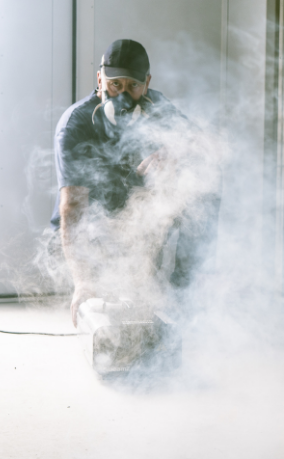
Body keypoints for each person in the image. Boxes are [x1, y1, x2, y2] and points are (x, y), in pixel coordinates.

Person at [50, 39, 221, 326]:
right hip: (92, 228)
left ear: (147, 83)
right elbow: (73, 208)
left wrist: (174, 150)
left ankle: (185, 292)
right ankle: (103, 279)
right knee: (111, 303)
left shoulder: (157, 105)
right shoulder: (76, 125)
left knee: (204, 187)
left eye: (133, 86)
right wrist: (83, 280)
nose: (123, 96)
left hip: (139, 221)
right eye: (115, 85)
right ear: (100, 79)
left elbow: (209, 146)